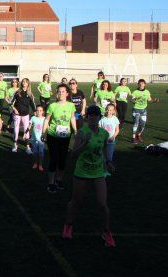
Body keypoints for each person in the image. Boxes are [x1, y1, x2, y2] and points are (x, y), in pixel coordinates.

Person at [61, 105, 115, 248]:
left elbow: (103, 148)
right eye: (90, 115)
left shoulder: (104, 133)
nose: (93, 117)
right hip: (82, 172)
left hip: (98, 172)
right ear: (87, 117)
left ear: (99, 117)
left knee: (102, 204)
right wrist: (85, 142)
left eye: (95, 115)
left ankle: (106, 231)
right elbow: (73, 154)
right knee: (75, 201)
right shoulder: (81, 133)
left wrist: (108, 162)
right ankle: (68, 225)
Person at [43, 84, 77, 194]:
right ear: (56, 93)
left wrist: (75, 130)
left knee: (62, 159)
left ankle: (59, 180)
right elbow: (47, 120)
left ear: (67, 93)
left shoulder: (71, 105)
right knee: (54, 158)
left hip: (66, 136)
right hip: (53, 135)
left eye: (63, 91)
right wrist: (44, 132)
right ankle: (51, 183)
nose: (60, 94)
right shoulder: (52, 106)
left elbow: (72, 118)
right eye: (59, 92)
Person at [11, 78, 36, 153]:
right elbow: (10, 102)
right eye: (23, 82)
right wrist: (14, 109)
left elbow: (32, 104)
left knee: (26, 130)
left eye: (26, 82)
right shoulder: (17, 92)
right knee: (16, 129)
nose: (24, 83)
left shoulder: (30, 94)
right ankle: (15, 145)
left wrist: (35, 112)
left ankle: (28, 147)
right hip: (17, 114)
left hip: (25, 114)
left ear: (28, 84)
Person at [131, 79, 153, 144]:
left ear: (145, 84)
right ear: (138, 84)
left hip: (144, 110)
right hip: (136, 109)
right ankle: (133, 138)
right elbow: (132, 101)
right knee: (136, 124)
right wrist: (137, 99)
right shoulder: (135, 92)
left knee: (143, 124)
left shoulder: (147, 92)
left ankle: (139, 135)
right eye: (140, 83)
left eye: (142, 83)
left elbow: (149, 99)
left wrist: (154, 100)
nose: (141, 84)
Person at [27, 106, 46, 171]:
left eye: (40, 110)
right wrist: (25, 132)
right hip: (34, 138)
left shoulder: (44, 119)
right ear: (36, 111)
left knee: (41, 152)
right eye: (37, 110)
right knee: (35, 152)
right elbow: (29, 126)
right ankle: (35, 163)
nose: (39, 112)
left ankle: (40, 165)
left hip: (41, 139)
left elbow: (47, 127)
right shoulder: (33, 118)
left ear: (43, 111)